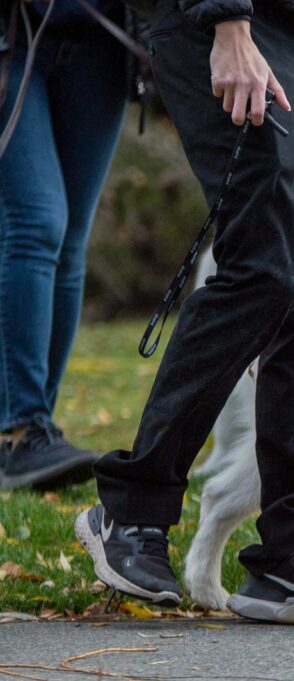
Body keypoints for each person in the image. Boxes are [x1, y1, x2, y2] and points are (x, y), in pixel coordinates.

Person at [75, 0, 294, 625]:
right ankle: (132, 511)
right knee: (262, 275)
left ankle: (293, 555)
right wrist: (228, 22)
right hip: (232, 25)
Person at [0, 0, 128, 490]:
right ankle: (22, 428)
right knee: (37, 221)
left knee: (71, 238)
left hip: (102, 38)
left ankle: (33, 433)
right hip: (12, 35)